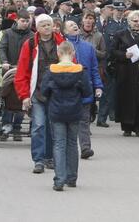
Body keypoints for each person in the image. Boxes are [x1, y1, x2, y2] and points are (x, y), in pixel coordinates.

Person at [16, 13, 65, 174]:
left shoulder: (61, 43)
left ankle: (49, 158)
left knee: (52, 126)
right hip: (36, 92)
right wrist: (24, 96)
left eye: (48, 24)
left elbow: (71, 64)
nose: (46, 27)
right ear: (37, 27)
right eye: (43, 25)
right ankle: (38, 159)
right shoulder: (30, 44)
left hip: (56, 92)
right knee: (38, 125)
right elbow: (22, 71)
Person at [40, 41, 91, 191]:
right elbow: (87, 92)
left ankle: (59, 180)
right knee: (72, 143)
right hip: (75, 111)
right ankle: (72, 178)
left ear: (58, 53)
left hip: (56, 111)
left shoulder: (51, 71)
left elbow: (43, 92)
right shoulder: (80, 71)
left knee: (59, 144)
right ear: (73, 53)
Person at [62, 20, 104, 159]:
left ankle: (86, 148)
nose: (75, 26)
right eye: (70, 25)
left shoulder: (88, 47)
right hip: (67, 90)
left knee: (84, 120)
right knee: (67, 121)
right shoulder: (61, 46)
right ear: (65, 31)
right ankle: (66, 147)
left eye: (75, 24)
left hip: (85, 88)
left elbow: (94, 69)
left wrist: (98, 86)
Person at [111, 11, 139, 137]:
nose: (138, 23)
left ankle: (138, 126)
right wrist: (124, 55)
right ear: (129, 21)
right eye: (135, 21)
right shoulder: (120, 34)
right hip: (125, 71)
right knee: (125, 98)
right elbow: (112, 51)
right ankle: (126, 126)